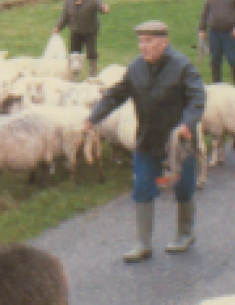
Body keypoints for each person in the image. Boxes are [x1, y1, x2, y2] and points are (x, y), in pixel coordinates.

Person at [84, 20, 206, 263]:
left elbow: (197, 99)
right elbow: (116, 94)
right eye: (141, 41)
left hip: (177, 141)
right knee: (141, 187)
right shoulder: (136, 68)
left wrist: (187, 124)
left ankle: (185, 233)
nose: (143, 47)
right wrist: (94, 117)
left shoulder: (182, 66)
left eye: (149, 41)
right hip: (147, 139)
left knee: (183, 186)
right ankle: (142, 243)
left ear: (164, 42)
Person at [55, 0, 110, 74]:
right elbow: (65, 16)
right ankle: (73, 74)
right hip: (75, 31)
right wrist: (58, 27)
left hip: (90, 31)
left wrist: (104, 8)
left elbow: (100, 6)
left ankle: (92, 73)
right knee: (74, 54)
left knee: (91, 53)